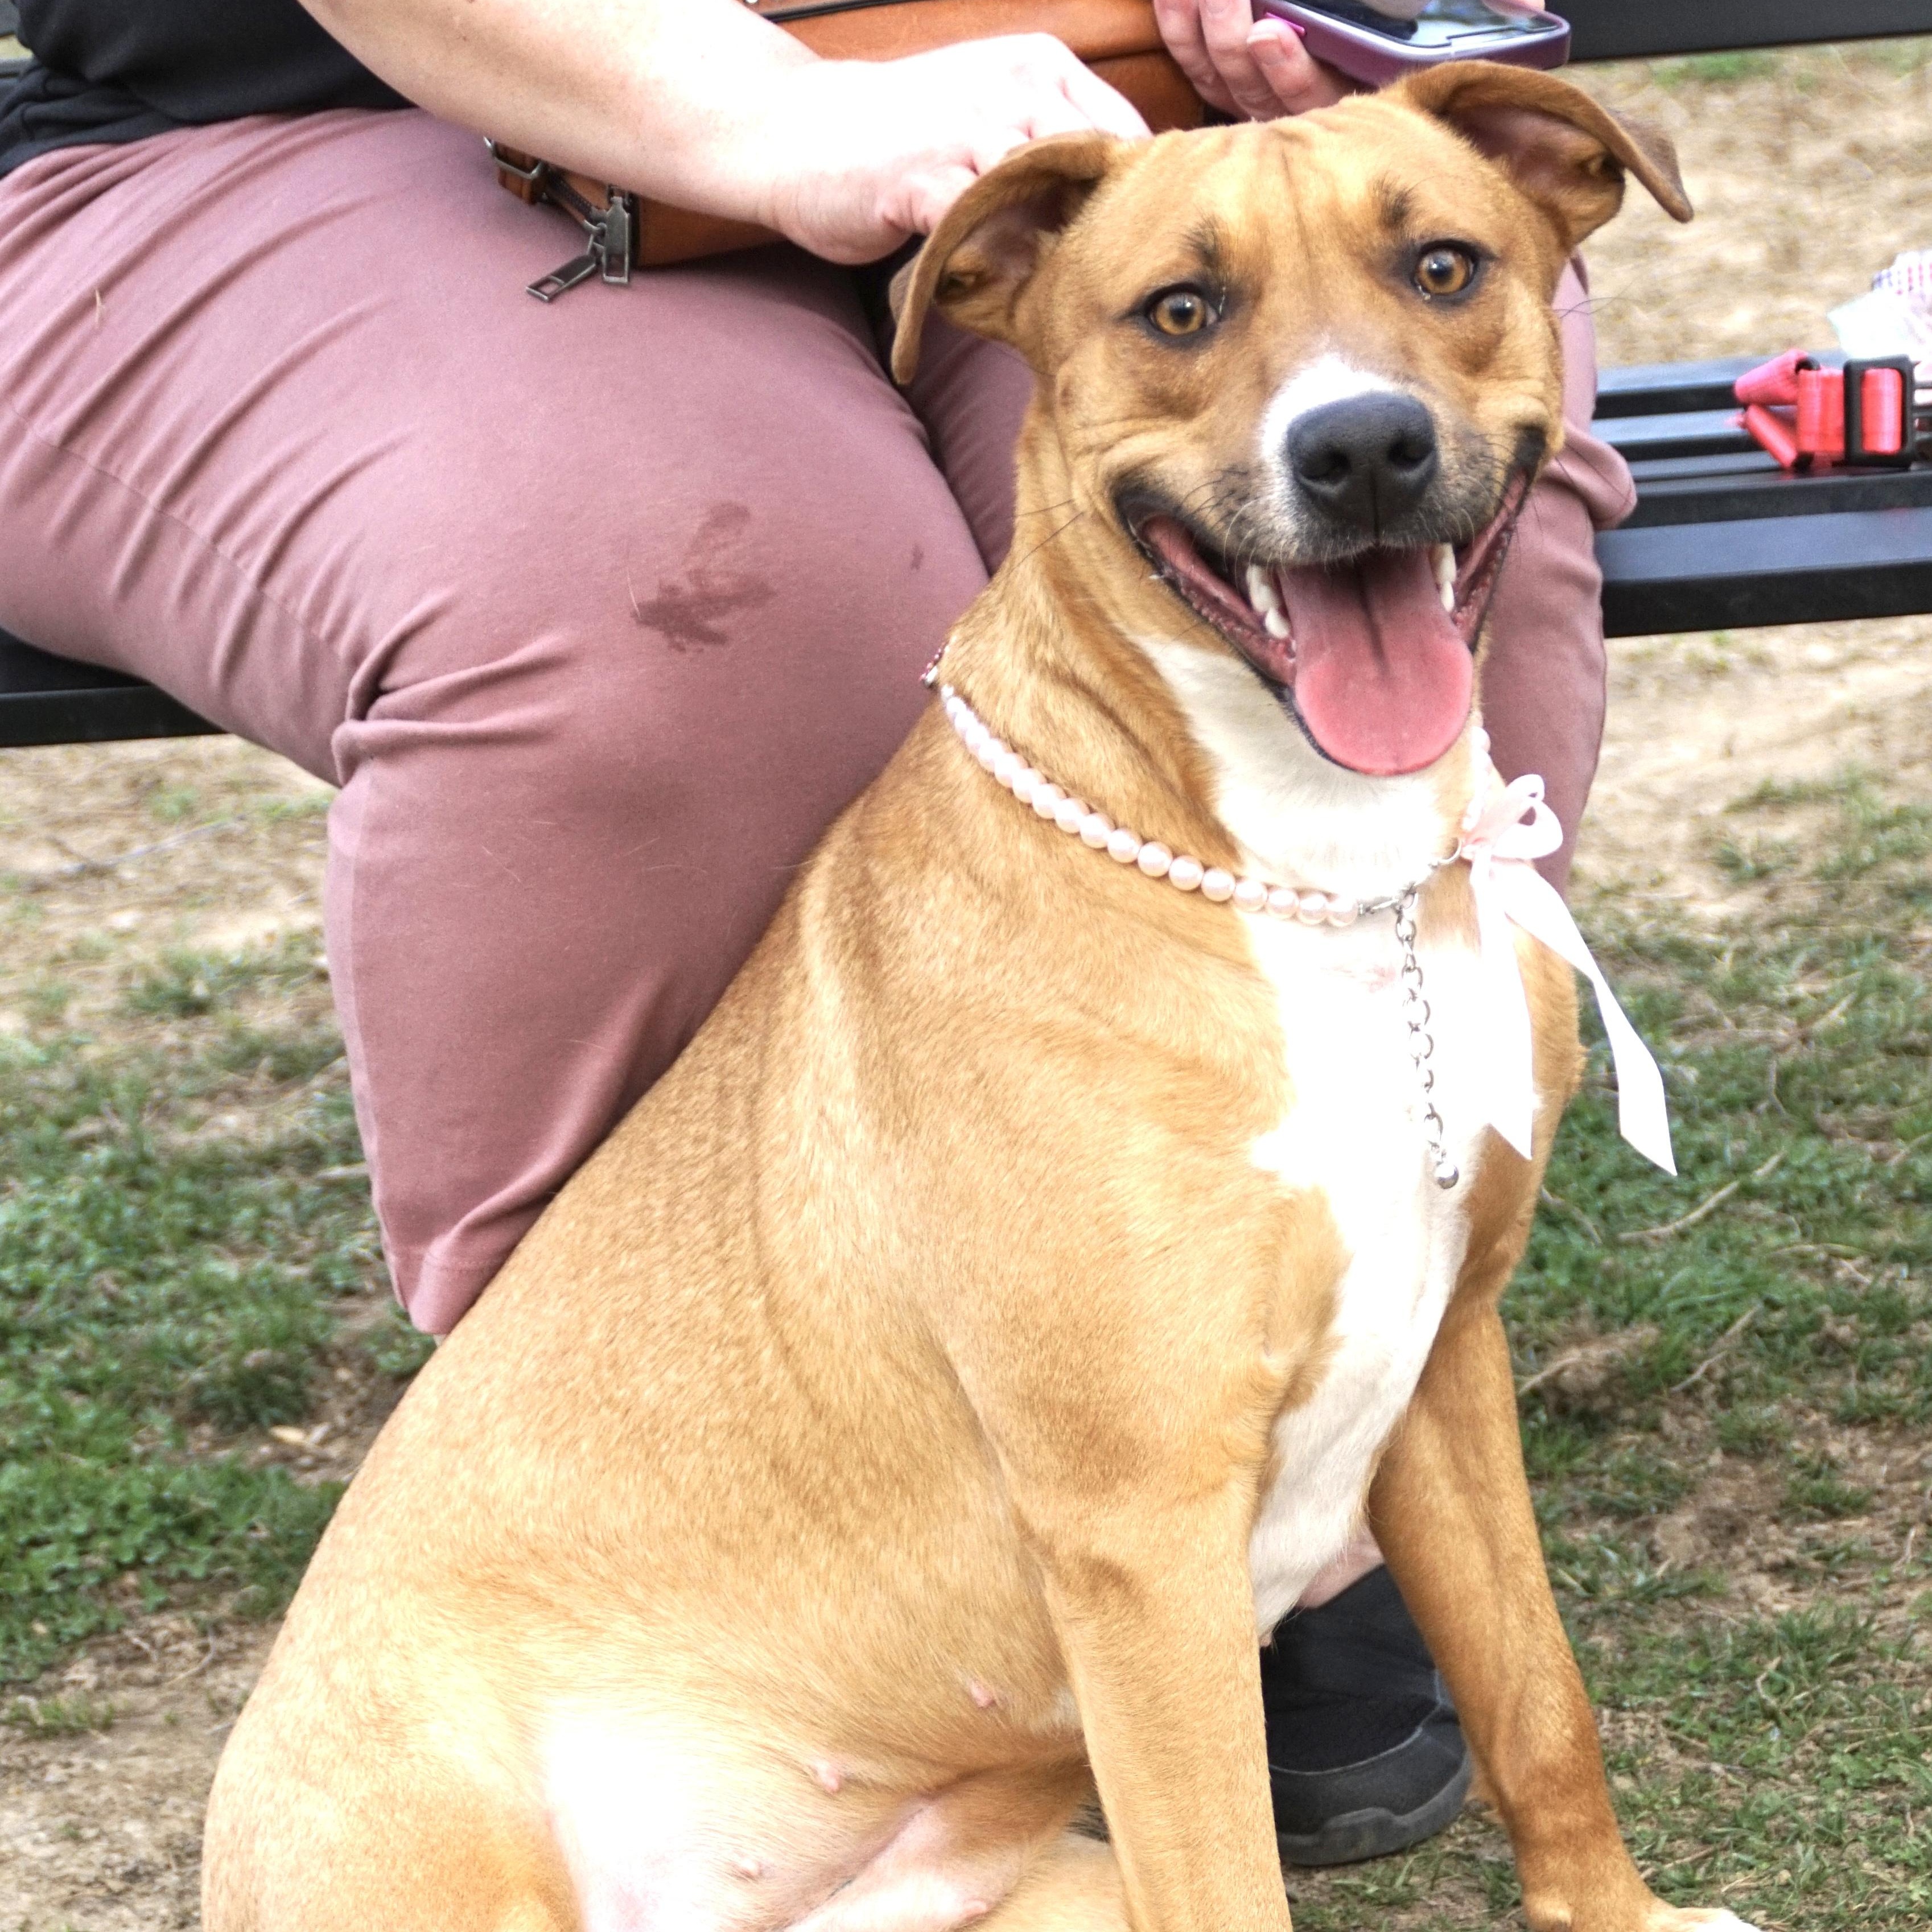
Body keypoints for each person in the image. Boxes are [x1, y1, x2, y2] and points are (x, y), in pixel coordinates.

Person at [0, 0, 1633, 1872]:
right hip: (344, 115)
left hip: (1052, 84)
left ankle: (1262, 1467)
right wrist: (772, 114)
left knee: (1457, 502)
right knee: (723, 598)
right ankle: (701, 1536)